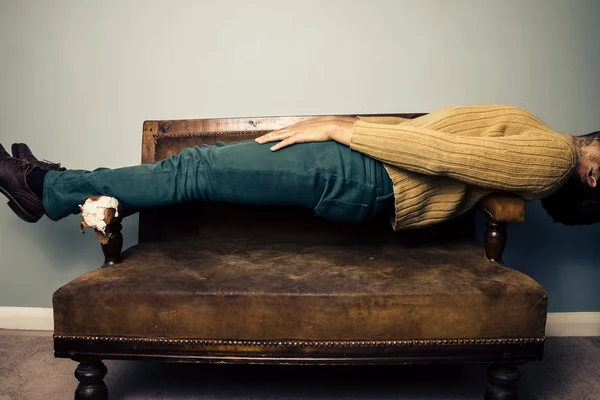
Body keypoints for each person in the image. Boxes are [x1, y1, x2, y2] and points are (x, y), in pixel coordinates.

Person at [0, 104, 598, 229]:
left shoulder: (552, 159)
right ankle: (66, 188)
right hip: (368, 172)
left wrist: (340, 127)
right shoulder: (550, 147)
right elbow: (439, 141)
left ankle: (46, 189)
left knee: (196, 170)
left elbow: (439, 153)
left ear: (591, 178)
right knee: (197, 170)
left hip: (367, 175)